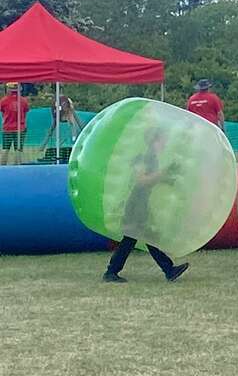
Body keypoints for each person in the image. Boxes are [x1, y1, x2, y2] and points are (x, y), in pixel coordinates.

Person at [103, 131, 190, 283]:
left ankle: (168, 269)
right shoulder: (146, 157)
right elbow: (141, 180)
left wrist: (167, 178)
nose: (165, 144)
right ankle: (111, 272)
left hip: (140, 203)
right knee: (134, 238)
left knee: (142, 237)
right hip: (136, 204)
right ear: (154, 140)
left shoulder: (151, 158)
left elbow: (150, 179)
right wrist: (164, 172)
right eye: (163, 140)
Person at [38, 93, 83, 160]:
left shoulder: (68, 105)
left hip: (66, 111)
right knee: (53, 127)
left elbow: (74, 119)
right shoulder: (57, 104)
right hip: (59, 114)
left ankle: (74, 139)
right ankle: (43, 146)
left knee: (72, 124)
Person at [0, 83, 29, 166]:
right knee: (18, 150)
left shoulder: (3, 101)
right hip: (20, 129)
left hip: (7, 129)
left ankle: (2, 168)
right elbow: (26, 111)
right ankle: (17, 168)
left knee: (5, 149)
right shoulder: (23, 101)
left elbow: (2, 111)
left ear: (8, 89)